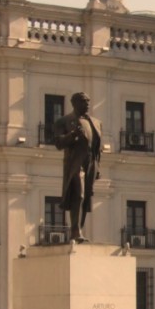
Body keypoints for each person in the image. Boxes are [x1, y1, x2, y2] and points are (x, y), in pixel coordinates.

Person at [53, 91, 102, 243]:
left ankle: (78, 229)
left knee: (86, 197)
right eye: (83, 101)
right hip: (75, 162)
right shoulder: (64, 121)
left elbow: (97, 147)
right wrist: (72, 135)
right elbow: (58, 143)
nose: (86, 104)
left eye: (88, 101)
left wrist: (97, 168)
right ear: (74, 103)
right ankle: (76, 231)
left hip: (90, 163)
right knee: (78, 195)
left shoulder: (96, 122)